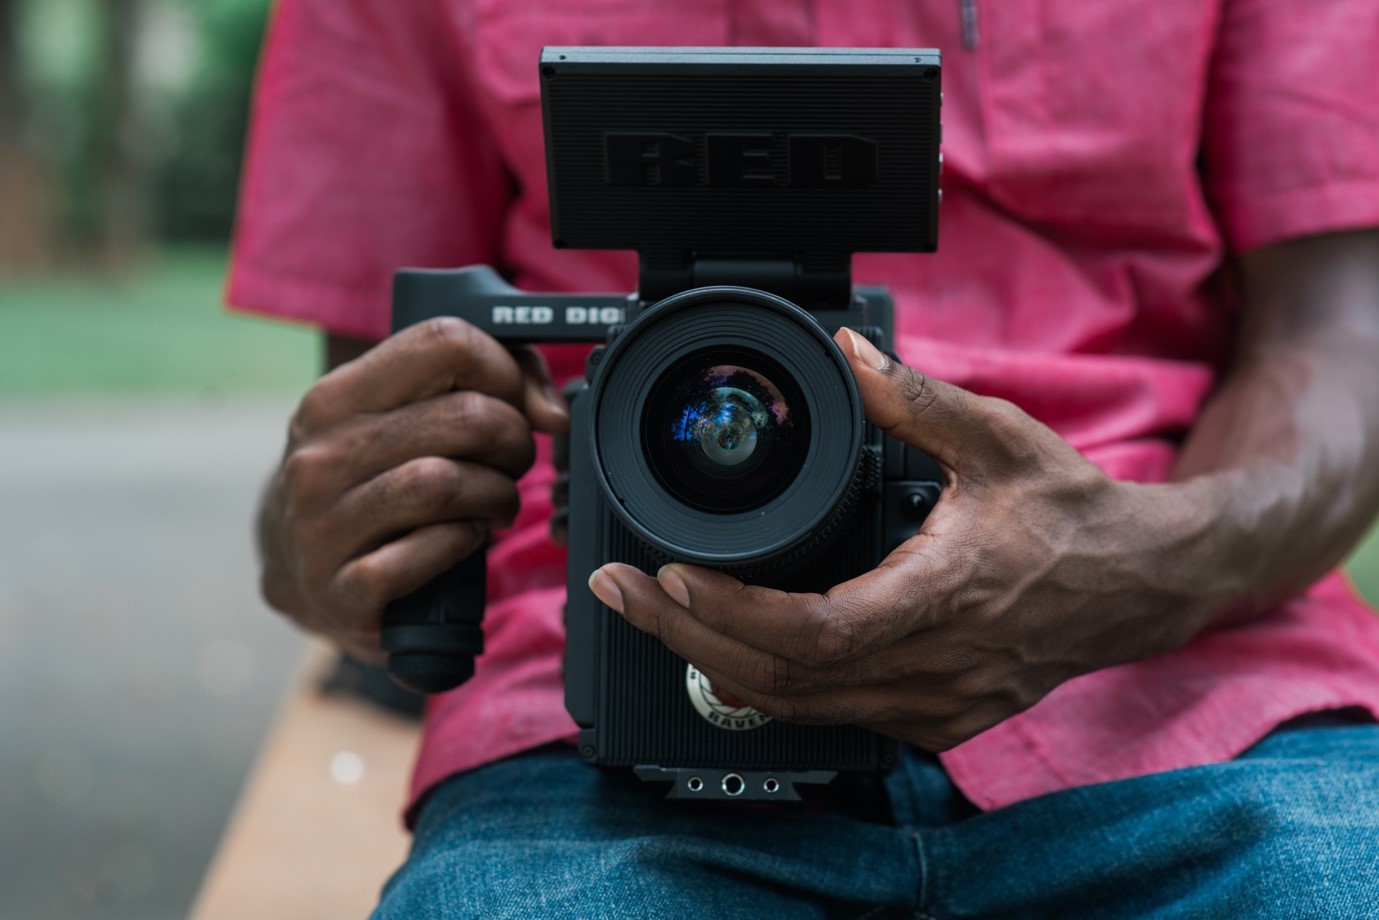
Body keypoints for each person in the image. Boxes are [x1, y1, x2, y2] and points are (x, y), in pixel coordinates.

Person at [228, 0, 1379, 916]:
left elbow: (1340, 340)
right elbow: (386, 401)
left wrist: (1148, 562)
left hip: (1183, 673)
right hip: (607, 690)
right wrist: (327, 543)